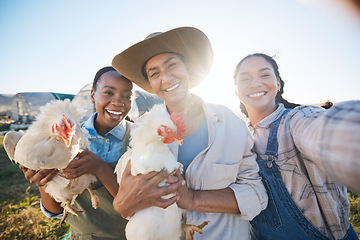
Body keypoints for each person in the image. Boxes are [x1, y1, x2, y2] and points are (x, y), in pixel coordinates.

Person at [111, 27, 268, 240]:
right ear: (150, 84)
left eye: (172, 65)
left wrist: (192, 198)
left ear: (188, 68)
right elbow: (130, 203)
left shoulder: (230, 123)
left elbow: (257, 195)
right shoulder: (141, 129)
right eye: (154, 74)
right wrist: (122, 204)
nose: (165, 78)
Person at [233, 53, 360, 240]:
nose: (255, 83)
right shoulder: (240, 138)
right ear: (236, 91)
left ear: (278, 83)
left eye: (264, 74)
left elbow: (325, 133)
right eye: (245, 78)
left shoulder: (296, 120)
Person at [20, 67, 134, 239]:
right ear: (93, 95)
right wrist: (43, 181)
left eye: (127, 95)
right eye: (109, 92)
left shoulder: (138, 138)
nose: (118, 102)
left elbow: (137, 205)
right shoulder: (62, 138)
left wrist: (99, 167)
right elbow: (54, 210)